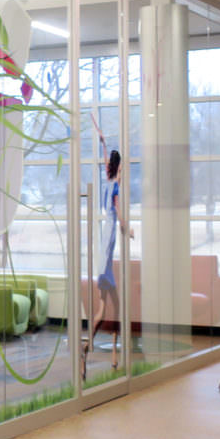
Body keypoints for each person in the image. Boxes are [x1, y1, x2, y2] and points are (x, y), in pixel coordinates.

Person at [83, 143, 125, 373]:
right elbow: (118, 211)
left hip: (103, 255)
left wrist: (101, 140)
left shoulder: (108, 182)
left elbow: (108, 164)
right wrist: (126, 229)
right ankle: (90, 345)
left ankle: (111, 355)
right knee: (109, 309)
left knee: (111, 307)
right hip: (106, 254)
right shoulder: (116, 186)